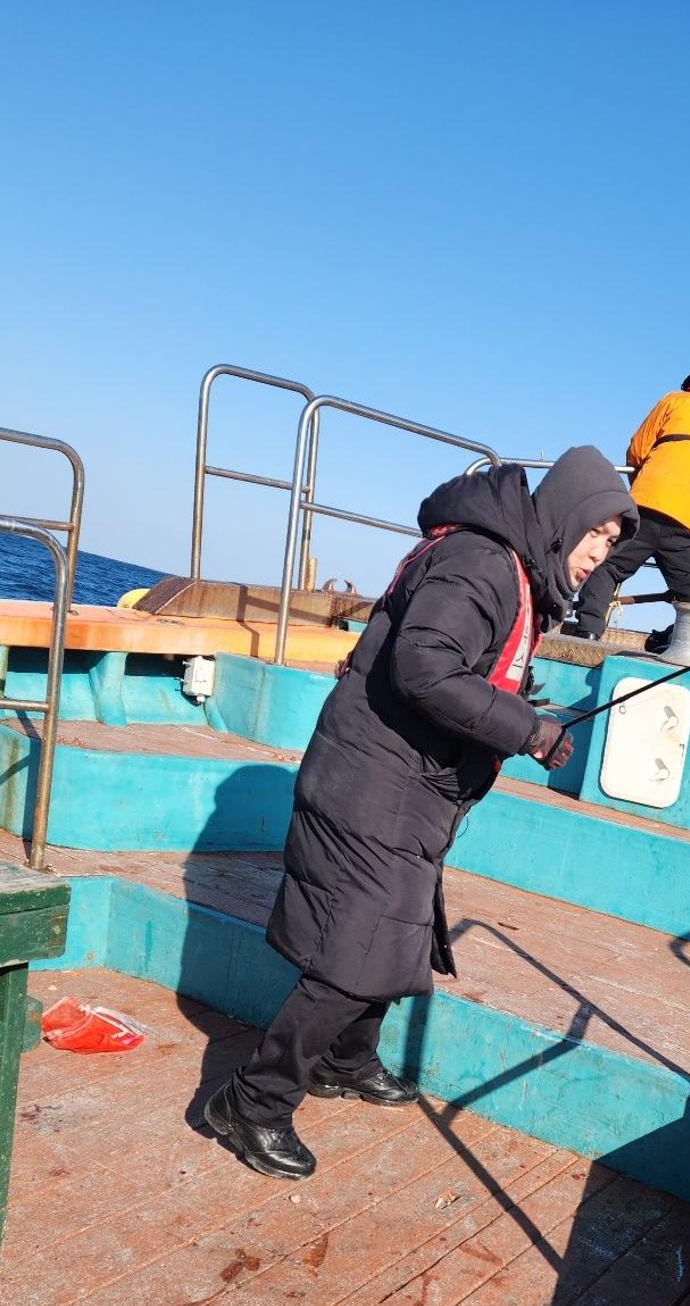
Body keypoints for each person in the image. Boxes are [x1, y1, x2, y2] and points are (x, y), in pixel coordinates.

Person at [205, 449, 639, 1179]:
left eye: (609, 543)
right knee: (354, 955)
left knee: (395, 934)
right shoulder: (483, 562)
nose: (597, 553)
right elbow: (425, 667)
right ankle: (253, 1103)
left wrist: (518, 709)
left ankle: (345, 1059)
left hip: (408, 787)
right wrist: (528, 729)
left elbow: (463, 667)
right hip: (370, 781)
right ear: (564, 516)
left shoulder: (509, 567)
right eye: (594, 533)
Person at [564, 358, 690, 641]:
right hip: (688, 522)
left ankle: (588, 631)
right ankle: (688, 644)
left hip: (645, 507)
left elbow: (638, 449)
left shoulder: (674, 400)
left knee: (608, 567)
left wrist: (645, 486)